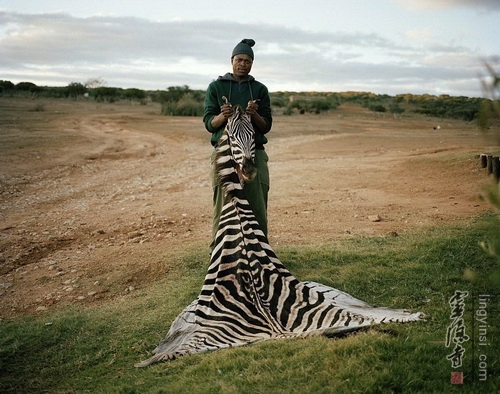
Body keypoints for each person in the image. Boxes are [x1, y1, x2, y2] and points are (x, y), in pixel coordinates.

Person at [203, 38, 273, 246]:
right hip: (224, 152)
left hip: (253, 152)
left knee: (257, 203)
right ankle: (219, 251)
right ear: (231, 60)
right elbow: (209, 123)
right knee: (222, 203)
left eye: (248, 60)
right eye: (239, 59)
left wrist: (255, 115)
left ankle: (260, 250)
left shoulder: (260, 89)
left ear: (252, 63)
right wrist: (223, 116)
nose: (243, 64)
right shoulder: (216, 87)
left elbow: (266, 125)